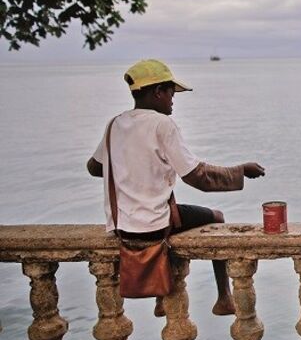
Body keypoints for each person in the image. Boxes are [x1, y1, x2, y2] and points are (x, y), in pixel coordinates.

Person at [87, 59, 265, 316]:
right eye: (171, 92)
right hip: (153, 226)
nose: (173, 99)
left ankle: (161, 297)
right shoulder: (162, 124)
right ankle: (224, 298)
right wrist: (241, 171)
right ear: (157, 91)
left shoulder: (115, 124)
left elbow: (94, 168)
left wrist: (131, 165)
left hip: (122, 227)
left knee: (171, 210)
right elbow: (198, 178)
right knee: (216, 218)